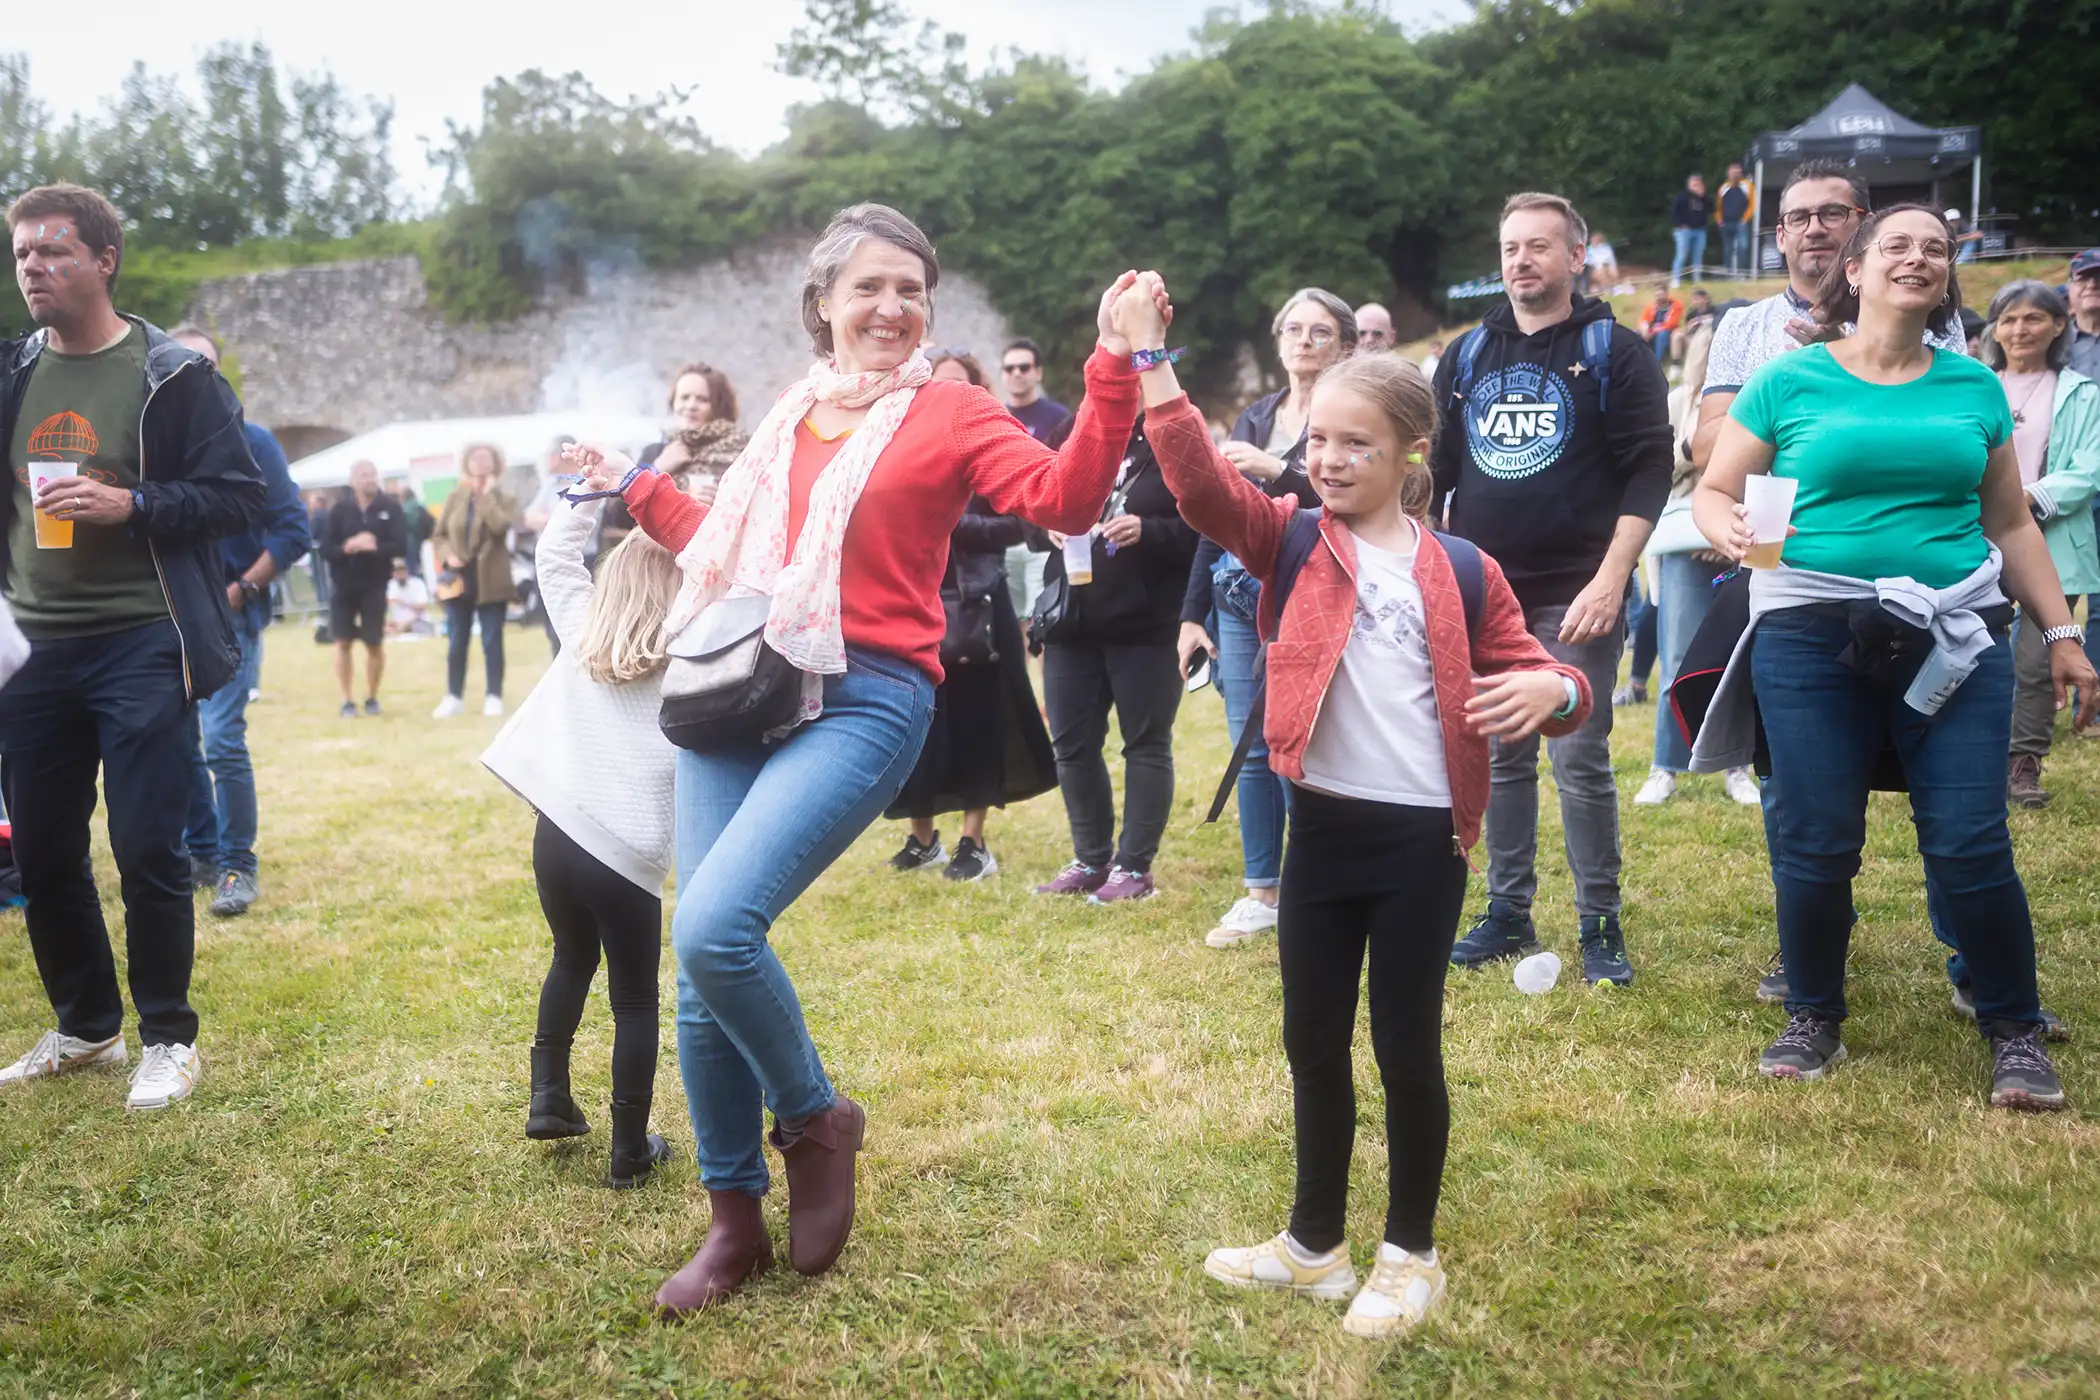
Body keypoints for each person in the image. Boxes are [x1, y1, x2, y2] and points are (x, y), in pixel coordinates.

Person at [561, 204, 1156, 1315]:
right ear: (823, 305)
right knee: (703, 970)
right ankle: (731, 1218)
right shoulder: (787, 416)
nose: (892, 308)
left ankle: (817, 1117)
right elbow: (732, 553)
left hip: (870, 692)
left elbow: (1067, 498)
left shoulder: (953, 408)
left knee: (711, 926)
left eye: (912, 290)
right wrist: (634, 488)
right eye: (869, 288)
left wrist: (1115, 360)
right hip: (744, 682)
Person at [1129, 292, 1592, 1340]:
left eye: (1356, 444)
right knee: (1310, 1040)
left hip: (1422, 843)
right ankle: (1313, 1246)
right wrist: (1148, 356)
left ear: (1411, 452)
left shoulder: (1463, 570)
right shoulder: (1288, 539)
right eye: (1318, 440)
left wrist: (1555, 693)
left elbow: (1547, 671)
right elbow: (1198, 482)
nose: (1329, 460)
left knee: (1404, 1043)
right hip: (1322, 836)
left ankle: (1411, 1253)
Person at [1691, 203, 2096, 1109]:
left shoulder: (1972, 388)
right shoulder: (1789, 381)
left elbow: (2010, 522)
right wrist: (1738, 532)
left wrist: (2062, 635)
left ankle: (2015, 1029)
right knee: (1816, 838)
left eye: (1937, 249)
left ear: (1948, 275)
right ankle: (1813, 1014)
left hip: (1955, 631)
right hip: (1810, 635)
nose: (1918, 259)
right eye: (1898, 245)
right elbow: (1717, 492)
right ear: (1860, 268)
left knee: (1969, 838)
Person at [0, 183, 264, 1110]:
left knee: (148, 842)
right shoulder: (12, 371)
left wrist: (134, 503)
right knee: (39, 849)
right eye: (23, 251)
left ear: (104, 260)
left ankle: (167, 1035)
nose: (34, 265)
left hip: (141, 639)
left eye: (54, 250)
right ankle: (86, 1026)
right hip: (31, 650)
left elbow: (239, 498)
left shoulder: (173, 375)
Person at [1689, 159, 1969, 1004]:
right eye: (1797, 217)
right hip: (1786, 565)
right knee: (1796, 786)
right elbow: (1710, 450)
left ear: (1860, 231)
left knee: (1948, 790)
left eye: (1832, 214)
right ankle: (1810, 956)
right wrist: (1801, 389)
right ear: (1777, 235)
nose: (1813, 227)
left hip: (1920, 581)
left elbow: (1951, 432)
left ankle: (1973, 959)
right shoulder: (1746, 329)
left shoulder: (1932, 316)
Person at [1432, 192, 1672, 985]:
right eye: (1509, 248)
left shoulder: (1616, 350)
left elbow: (1649, 470)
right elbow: (1435, 478)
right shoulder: (1464, 357)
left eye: (1539, 246)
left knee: (1578, 754)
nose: (1521, 260)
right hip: (1488, 597)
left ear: (1578, 256)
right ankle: (1507, 911)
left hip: (1581, 592)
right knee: (1502, 754)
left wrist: (1612, 578)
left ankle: (1599, 922)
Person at [481, 496, 682, 1190]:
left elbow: (555, 558)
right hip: (626, 858)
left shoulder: (580, 631)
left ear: (615, 581)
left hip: (556, 836)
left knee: (570, 959)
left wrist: (587, 494)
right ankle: (630, 1149)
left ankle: (549, 1096)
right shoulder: (690, 663)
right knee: (635, 1002)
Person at [1177, 288, 1353, 945]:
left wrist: (1281, 471)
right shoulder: (1254, 414)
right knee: (1249, 747)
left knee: (1309, 742)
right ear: (1278, 340)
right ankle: (1262, 892)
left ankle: (1320, 885)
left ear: (1345, 344)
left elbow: (1363, 497)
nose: (1304, 341)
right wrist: (1192, 613)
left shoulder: (1354, 410)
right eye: (1294, 329)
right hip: (1234, 602)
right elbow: (1215, 521)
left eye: (1321, 331)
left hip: (1316, 594)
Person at [886, 349, 1058, 880]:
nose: (950, 395)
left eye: (962, 385)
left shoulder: (989, 442)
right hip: (917, 599)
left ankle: (973, 841)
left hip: (980, 601)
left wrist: (952, 521)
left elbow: (1019, 525)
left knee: (982, 721)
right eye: (940, 384)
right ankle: (922, 839)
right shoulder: (901, 443)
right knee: (919, 722)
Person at [1034, 405, 1202, 905]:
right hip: (1071, 620)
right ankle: (1090, 860)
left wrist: (1148, 530)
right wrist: (1047, 526)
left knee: (1145, 743)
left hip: (1146, 625)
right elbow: (1034, 498)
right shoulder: (1074, 430)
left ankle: (1134, 868)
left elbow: (1209, 528)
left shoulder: (1176, 436)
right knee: (1071, 744)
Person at [170, 325, 310, 918]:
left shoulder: (254, 443)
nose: (190, 376)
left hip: (232, 614)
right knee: (179, 744)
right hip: (166, 619)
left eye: (202, 365)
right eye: (177, 365)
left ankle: (236, 864)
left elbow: (293, 530)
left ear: (218, 372)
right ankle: (200, 853)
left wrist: (242, 587)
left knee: (222, 739)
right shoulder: (155, 447)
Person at [1982, 281, 2100, 807]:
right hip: (1975, 538)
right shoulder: (1972, 385)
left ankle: (2023, 763)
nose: (2019, 329)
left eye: (2033, 318)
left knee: (2036, 656)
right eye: (2008, 319)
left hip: (2049, 540)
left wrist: (2031, 498)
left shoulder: (2083, 393)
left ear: (2058, 325)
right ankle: (1965, 755)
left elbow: (2090, 468)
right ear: (1994, 328)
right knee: (1971, 651)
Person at [432, 443, 516, 718]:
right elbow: (439, 534)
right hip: (458, 578)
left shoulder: (505, 496)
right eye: (474, 459)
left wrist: (487, 497)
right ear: (466, 464)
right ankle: (453, 696)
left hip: (491, 577)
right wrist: (448, 557)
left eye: (486, 458)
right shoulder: (456, 496)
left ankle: (493, 696)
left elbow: (500, 527)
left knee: (492, 639)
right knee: (457, 639)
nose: (480, 463)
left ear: (496, 463)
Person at [321, 460, 405, 718]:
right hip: (343, 585)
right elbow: (326, 548)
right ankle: (347, 700)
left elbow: (401, 546)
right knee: (342, 642)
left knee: (373, 643)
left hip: (375, 585)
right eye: (363, 475)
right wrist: (348, 547)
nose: (369, 479)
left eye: (372, 474)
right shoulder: (340, 510)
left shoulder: (390, 508)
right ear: (352, 480)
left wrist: (374, 545)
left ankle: (371, 697)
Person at [1000, 337, 1068, 624]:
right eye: (1010, 368)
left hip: (1043, 535)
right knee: (1008, 624)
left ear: (1038, 372)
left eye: (1024, 367)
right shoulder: (993, 416)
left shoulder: (1060, 418)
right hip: (999, 536)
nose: (1017, 373)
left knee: (1043, 619)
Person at [639, 362, 747, 508]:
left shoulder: (743, 454)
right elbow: (616, 515)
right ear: (674, 403)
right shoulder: (655, 452)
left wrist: (722, 504)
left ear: (720, 406)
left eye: (702, 399)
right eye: (684, 397)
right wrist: (657, 469)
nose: (691, 406)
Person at [386, 477, 433, 579]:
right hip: (416, 543)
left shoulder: (400, 511)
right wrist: (421, 536)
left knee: (404, 572)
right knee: (416, 570)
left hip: (403, 546)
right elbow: (431, 525)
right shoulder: (420, 508)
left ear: (402, 498)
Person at [1716, 163, 1756, 278]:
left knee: (1742, 248)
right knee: (1727, 249)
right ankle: (1728, 274)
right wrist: (1719, 219)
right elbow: (1719, 206)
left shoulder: (1747, 186)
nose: (1736, 175)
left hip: (1740, 223)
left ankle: (1742, 274)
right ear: (1728, 174)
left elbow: (1751, 205)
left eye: (1738, 172)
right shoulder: (1723, 188)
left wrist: (1745, 219)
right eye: (1733, 172)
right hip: (1726, 223)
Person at [1671, 173, 1712, 286]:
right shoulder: (1682, 196)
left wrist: (1703, 196)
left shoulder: (1704, 198)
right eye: (1694, 184)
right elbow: (1674, 212)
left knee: (1698, 256)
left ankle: (1696, 279)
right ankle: (1676, 278)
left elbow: (1710, 209)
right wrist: (1680, 224)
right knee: (1682, 255)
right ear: (1689, 185)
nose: (1697, 187)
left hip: (1700, 230)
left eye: (1699, 184)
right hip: (1684, 231)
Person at [1640, 288, 1685, 362]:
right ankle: (1641, 360)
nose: (1659, 297)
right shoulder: (1652, 307)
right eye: (1657, 295)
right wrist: (1644, 329)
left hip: (1669, 331)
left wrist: (1653, 331)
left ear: (1667, 294)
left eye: (1661, 295)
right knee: (1636, 334)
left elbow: (1671, 324)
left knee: (1662, 334)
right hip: (1652, 331)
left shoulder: (1676, 305)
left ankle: (1657, 361)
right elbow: (1644, 320)